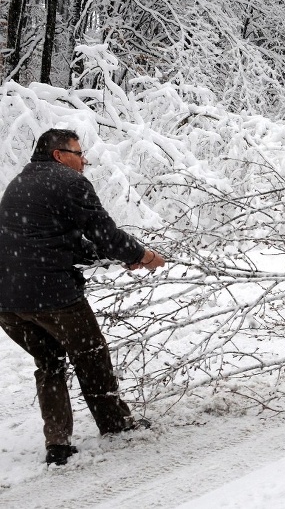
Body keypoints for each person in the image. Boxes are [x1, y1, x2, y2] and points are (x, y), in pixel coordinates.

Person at [0, 129, 165, 466]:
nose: (84, 160)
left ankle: (58, 444)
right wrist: (143, 256)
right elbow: (107, 234)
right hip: (53, 295)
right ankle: (116, 425)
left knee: (49, 363)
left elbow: (54, 240)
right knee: (91, 356)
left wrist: (110, 257)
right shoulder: (70, 182)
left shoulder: (18, 185)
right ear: (59, 155)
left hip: (9, 301)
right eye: (78, 152)